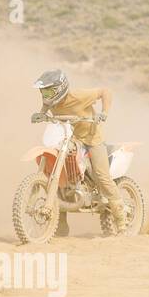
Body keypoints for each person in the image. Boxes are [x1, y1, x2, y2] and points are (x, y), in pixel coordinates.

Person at [30, 69, 125, 237]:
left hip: (91, 139)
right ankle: (60, 226)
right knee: (59, 175)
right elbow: (45, 105)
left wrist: (104, 113)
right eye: (43, 91)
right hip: (69, 138)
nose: (45, 95)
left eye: (49, 91)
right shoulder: (50, 101)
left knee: (102, 175)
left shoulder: (79, 96)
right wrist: (42, 114)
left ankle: (121, 221)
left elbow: (105, 91)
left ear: (60, 88)